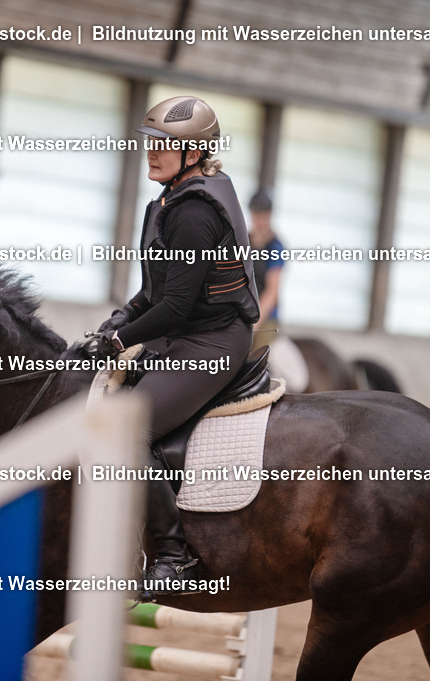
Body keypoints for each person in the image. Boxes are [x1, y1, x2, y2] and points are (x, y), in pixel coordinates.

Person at [96, 96, 260, 595]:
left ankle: (174, 555)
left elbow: (178, 306)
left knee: (127, 431)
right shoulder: (168, 199)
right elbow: (152, 294)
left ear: (193, 153)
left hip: (210, 340)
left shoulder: (191, 213)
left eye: (165, 144)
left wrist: (123, 339)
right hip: (182, 331)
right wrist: (116, 323)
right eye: (150, 142)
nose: (152, 152)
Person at [247, 189, 285, 352]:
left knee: (261, 356)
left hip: (265, 317)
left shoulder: (275, 246)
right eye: (256, 213)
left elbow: (272, 291)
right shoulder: (244, 240)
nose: (258, 219)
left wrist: (255, 324)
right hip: (244, 311)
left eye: (262, 214)